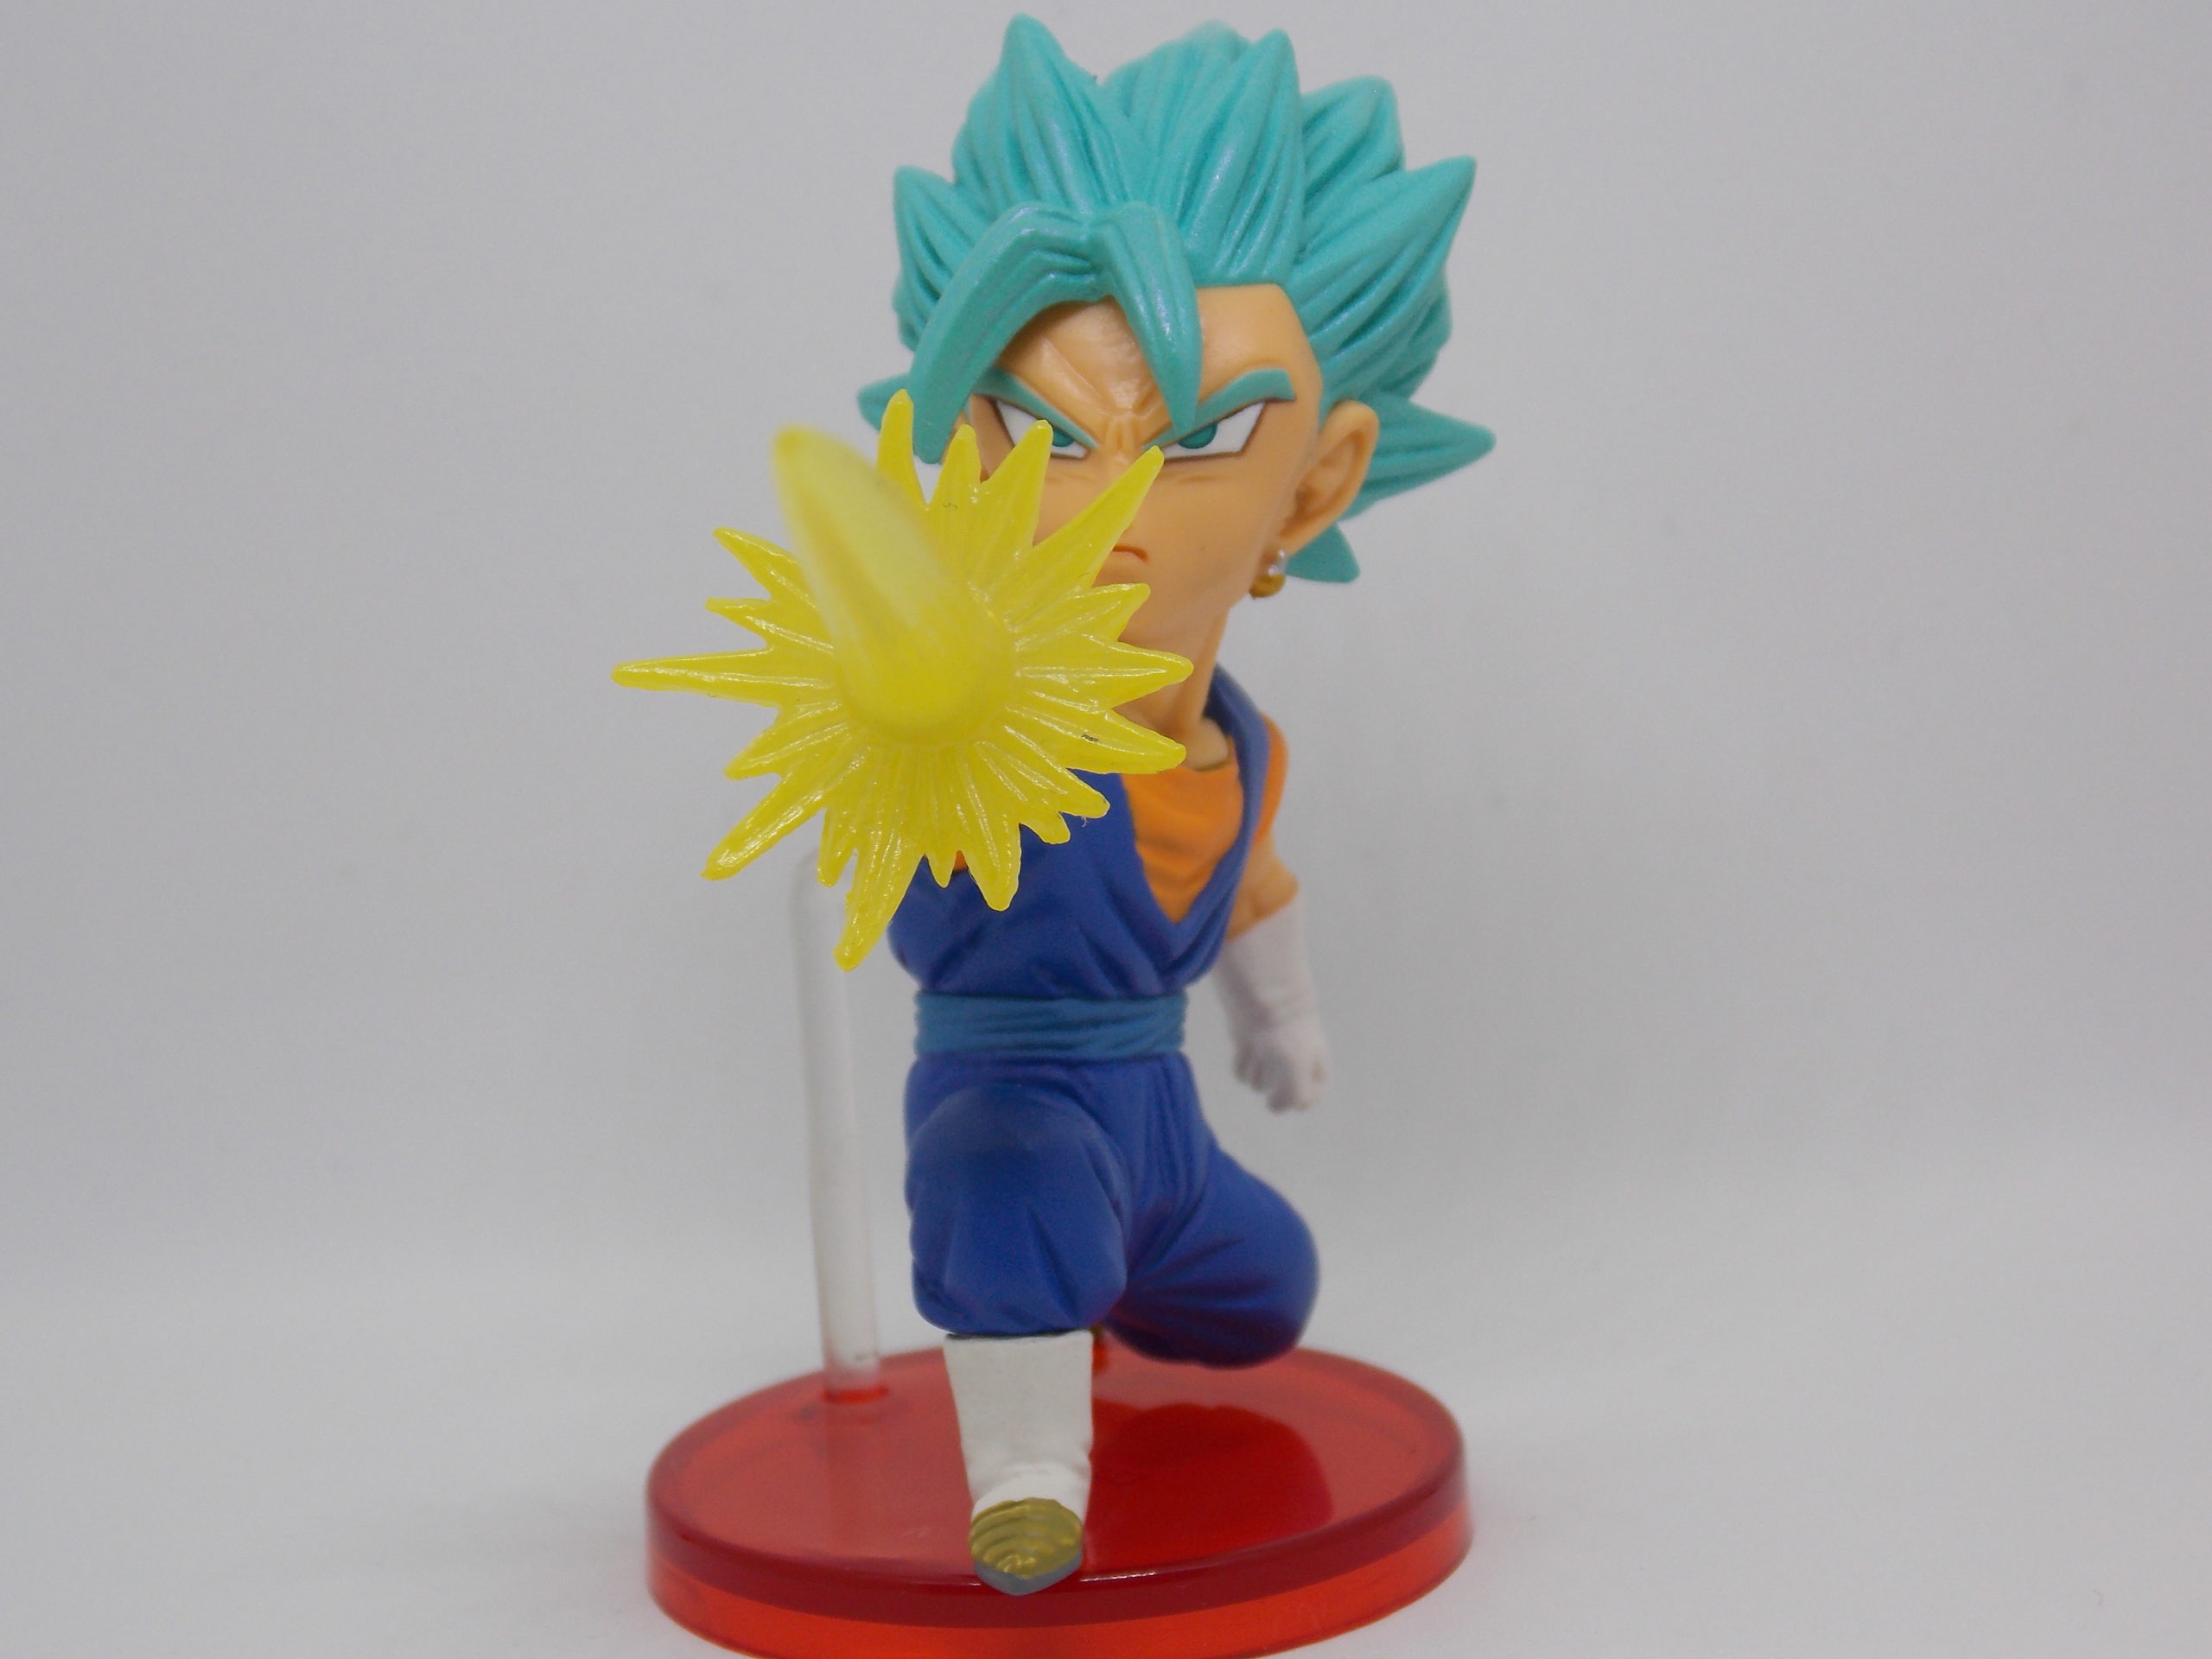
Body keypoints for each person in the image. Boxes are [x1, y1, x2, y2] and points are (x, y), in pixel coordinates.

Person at [862, 16, 1492, 1595]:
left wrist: (1283, 1019)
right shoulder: (977, 721)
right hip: (1008, 1100)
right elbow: (899, 816)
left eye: (1200, 439)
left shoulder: (1241, 740)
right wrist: (906, 720)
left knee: (1269, 1296)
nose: (1104, 507)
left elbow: (1253, 882)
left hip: (1163, 1129)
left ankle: (1093, 1278)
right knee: (1003, 1190)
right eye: (1041, 433)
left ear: (1316, 483)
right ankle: (1026, 1479)